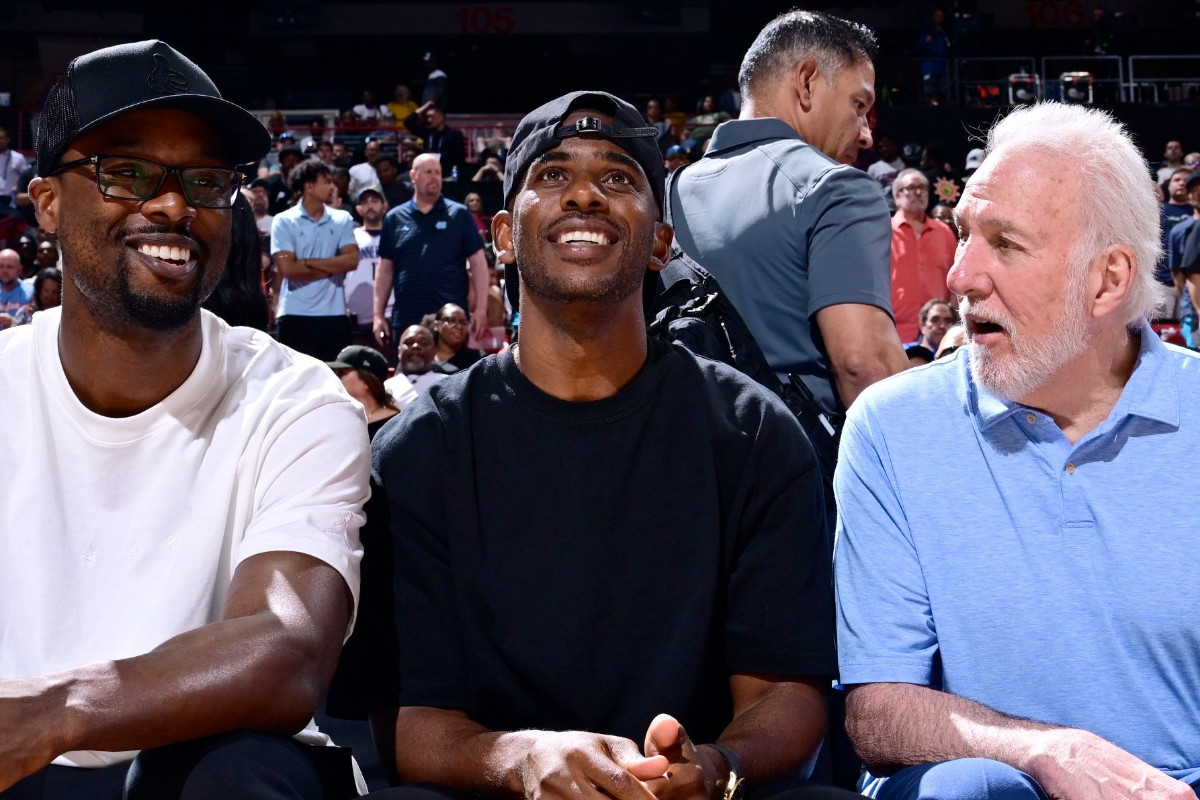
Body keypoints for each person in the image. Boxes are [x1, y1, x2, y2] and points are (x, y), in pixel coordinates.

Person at [361, 89, 837, 800]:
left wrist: (715, 768)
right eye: (551, 175)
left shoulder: (754, 432)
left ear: (661, 244)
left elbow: (785, 696)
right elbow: (410, 723)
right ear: (500, 235)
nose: (584, 193)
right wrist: (523, 760)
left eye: (619, 178)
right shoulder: (418, 449)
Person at [3, 39, 370, 799]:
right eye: (128, 171)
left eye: (205, 181)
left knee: (231, 772)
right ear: (45, 202)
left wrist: (56, 711)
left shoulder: (296, 400)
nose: (174, 204)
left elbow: (288, 651)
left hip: (194, 768)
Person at [834, 102, 1200, 800]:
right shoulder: (892, 427)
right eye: (967, 232)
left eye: (1005, 244)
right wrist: (1044, 751)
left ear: (1108, 279)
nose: (961, 276)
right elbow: (876, 712)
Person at [669, 9, 907, 468]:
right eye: (859, 105)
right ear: (807, 81)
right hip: (799, 483)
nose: (866, 134)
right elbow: (864, 366)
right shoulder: (838, 188)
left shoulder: (663, 196)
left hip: (684, 477)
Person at [372, 153, 488, 349]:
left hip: (451, 319)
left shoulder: (459, 214)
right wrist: (378, 315)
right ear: (413, 175)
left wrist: (481, 309)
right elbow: (385, 270)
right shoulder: (394, 218)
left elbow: (478, 263)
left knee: (453, 377)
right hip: (407, 316)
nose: (435, 177)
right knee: (410, 377)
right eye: (428, 172)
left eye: (438, 172)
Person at [271, 158, 359, 361]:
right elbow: (287, 268)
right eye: (326, 181)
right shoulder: (283, 221)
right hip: (294, 315)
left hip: (335, 316)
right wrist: (333, 265)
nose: (332, 186)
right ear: (309, 186)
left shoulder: (342, 218)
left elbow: (352, 260)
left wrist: (307, 262)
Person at [889, 168, 956, 342]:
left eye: (923, 188)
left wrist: (953, 323)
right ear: (897, 196)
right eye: (911, 188)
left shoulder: (944, 232)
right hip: (895, 332)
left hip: (938, 332)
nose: (918, 192)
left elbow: (955, 281)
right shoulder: (883, 232)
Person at [327, 344, 401, 438]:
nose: (337, 379)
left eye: (342, 373)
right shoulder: (337, 419)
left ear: (367, 381)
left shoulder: (395, 424)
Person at [346, 187, 390, 335]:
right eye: (365, 202)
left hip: (390, 311)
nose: (370, 205)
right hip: (357, 313)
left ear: (384, 206)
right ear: (358, 209)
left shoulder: (394, 237)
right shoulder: (350, 237)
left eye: (375, 201)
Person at [430, 302, 480, 370]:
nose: (459, 326)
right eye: (451, 320)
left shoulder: (477, 361)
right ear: (436, 325)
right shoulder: (423, 358)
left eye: (463, 322)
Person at [0, 246, 31, 327]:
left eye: (9, 267)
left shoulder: (30, 292)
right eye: (1, 266)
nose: (5, 271)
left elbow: (33, 324)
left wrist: (13, 322)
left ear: (19, 269)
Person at [0, 126, 29, 200]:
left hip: (11, 198)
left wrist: (18, 187)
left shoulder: (18, 157)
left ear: (8, 140)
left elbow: (26, 178)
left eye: (1, 138)